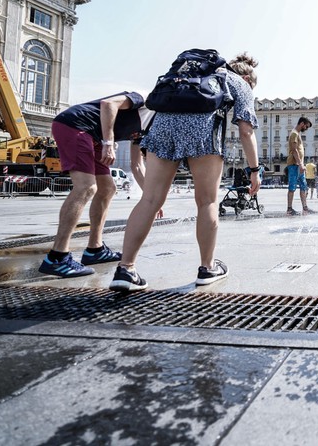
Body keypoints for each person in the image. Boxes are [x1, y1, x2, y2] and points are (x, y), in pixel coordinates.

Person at [109, 53, 261, 292]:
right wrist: (254, 169)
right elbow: (246, 131)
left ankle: (125, 269)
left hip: (162, 130)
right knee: (207, 201)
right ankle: (207, 267)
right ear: (246, 76)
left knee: (149, 200)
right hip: (203, 136)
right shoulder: (240, 83)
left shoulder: (194, 71)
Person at [38, 92, 155, 278]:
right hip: (75, 125)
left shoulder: (150, 127)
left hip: (95, 136)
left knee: (108, 188)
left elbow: (137, 164)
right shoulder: (142, 99)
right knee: (86, 187)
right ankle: (57, 257)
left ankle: (95, 249)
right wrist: (109, 143)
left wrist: (153, 199)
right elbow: (108, 104)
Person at [285, 117, 313, 215]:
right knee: (292, 187)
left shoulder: (297, 134)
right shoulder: (294, 134)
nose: (306, 128)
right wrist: (300, 164)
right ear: (302, 123)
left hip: (299, 165)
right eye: (306, 126)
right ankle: (289, 209)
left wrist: (301, 165)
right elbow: (294, 150)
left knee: (303, 186)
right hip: (294, 165)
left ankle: (305, 208)